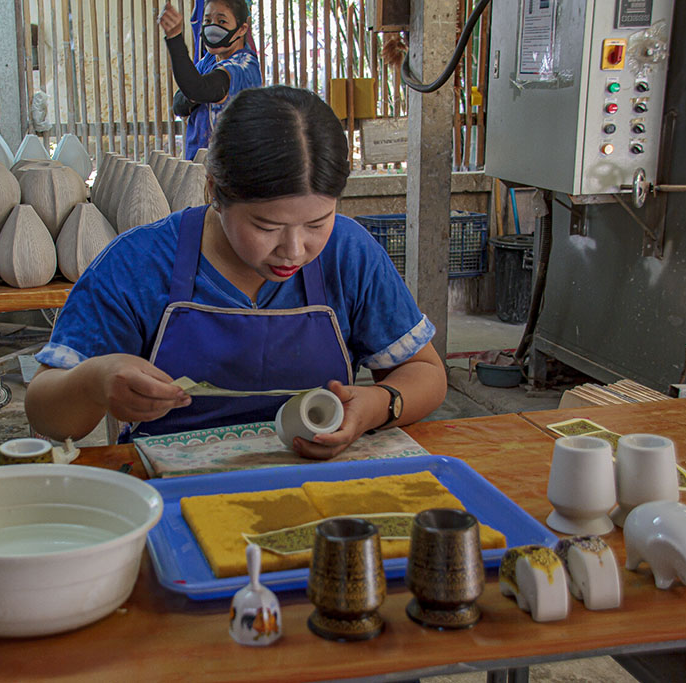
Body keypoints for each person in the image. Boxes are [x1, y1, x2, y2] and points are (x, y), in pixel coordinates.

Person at [26, 86, 447, 460]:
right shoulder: (140, 263)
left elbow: (427, 374)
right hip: (172, 490)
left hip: (317, 479)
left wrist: (378, 404)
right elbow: (47, 413)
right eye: (266, 227)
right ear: (214, 191)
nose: (294, 250)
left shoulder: (348, 254)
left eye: (317, 223)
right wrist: (94, 382)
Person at [159, 0, 262, 161]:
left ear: (242, 29)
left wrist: (174, 39)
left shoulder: (243, 67)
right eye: (207, 21)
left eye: (222, 21)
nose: (213, 27)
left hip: (230, 172)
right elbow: (179, 103)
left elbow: (196, 88)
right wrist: (195, 93)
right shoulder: (209, 60)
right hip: (200, 167)